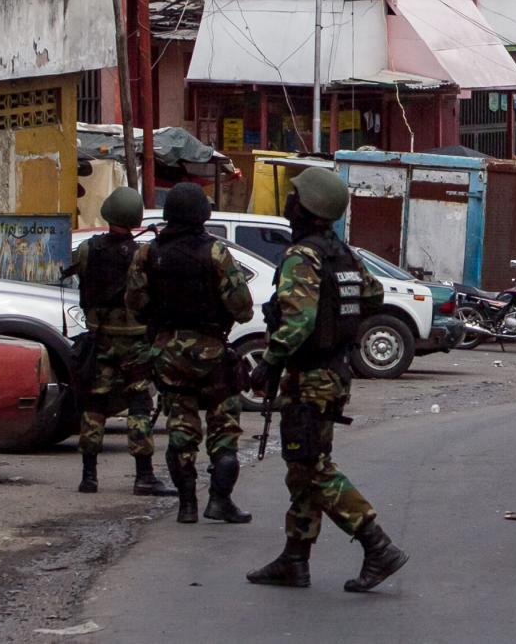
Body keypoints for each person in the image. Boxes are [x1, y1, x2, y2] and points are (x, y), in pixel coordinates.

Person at [246, 169, 409, 593]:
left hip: (310, 376)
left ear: (307, 206)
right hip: (334, 371)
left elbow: (298, 322)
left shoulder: (304, 256)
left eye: (293, 197)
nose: (288, 204)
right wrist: (336, 320)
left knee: (313, 468)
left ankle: (378, 545)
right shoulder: (343, 254)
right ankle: (295, 559)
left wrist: (269, 360)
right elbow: (372, 295)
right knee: (302, 467)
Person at [127, 181, 256, 527]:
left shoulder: (148, 253)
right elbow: (243, 308)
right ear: (202, 214)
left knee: (181, 428)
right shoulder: (215, 253)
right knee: (224, 429)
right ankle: (220, 501)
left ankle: (187, 506)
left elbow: (135, 303)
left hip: (168, 353)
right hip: (212, 352)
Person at [66, 186, 160, 497]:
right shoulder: (143, 254)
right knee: (139, 404)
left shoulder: (87, 250)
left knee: (94, 405)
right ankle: (143, 475)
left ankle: (88, 476)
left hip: (100, 339)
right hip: (135, 341)